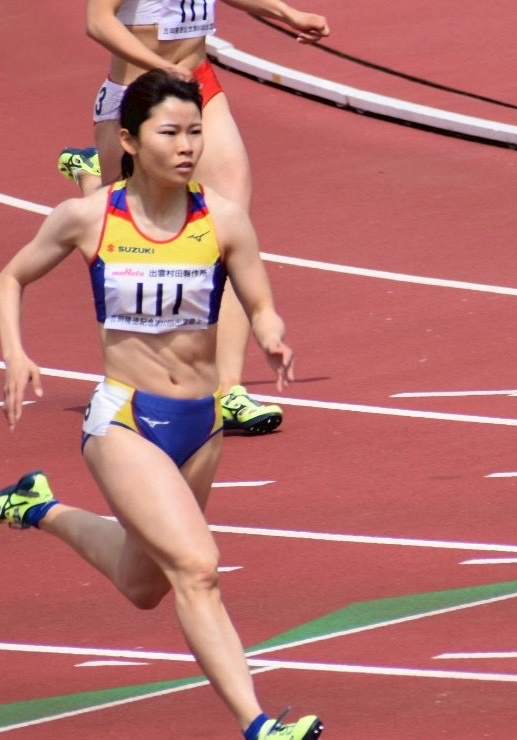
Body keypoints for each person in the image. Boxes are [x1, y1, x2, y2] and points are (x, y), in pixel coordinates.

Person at [0, 69, 321, 740]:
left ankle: (38, 508)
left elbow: (258, 300)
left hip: (199, 425)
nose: (188, 145)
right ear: (131, 141)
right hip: (125, 419)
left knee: (144, 584)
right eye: (171, 132)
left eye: (195, 130)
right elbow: (9, 277)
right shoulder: (90, 217)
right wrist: (16, 353)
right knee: (196, 567)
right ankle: (258, 725)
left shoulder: (222, 218)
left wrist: (271, 331)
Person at [57, 0, 330, 436]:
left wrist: (285, 13)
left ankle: (228, 390)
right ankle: (93, 179)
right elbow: (98, 21)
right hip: (138, 95)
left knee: (231, 229)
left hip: (199, 85)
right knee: (122, 230)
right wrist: (158, 68)